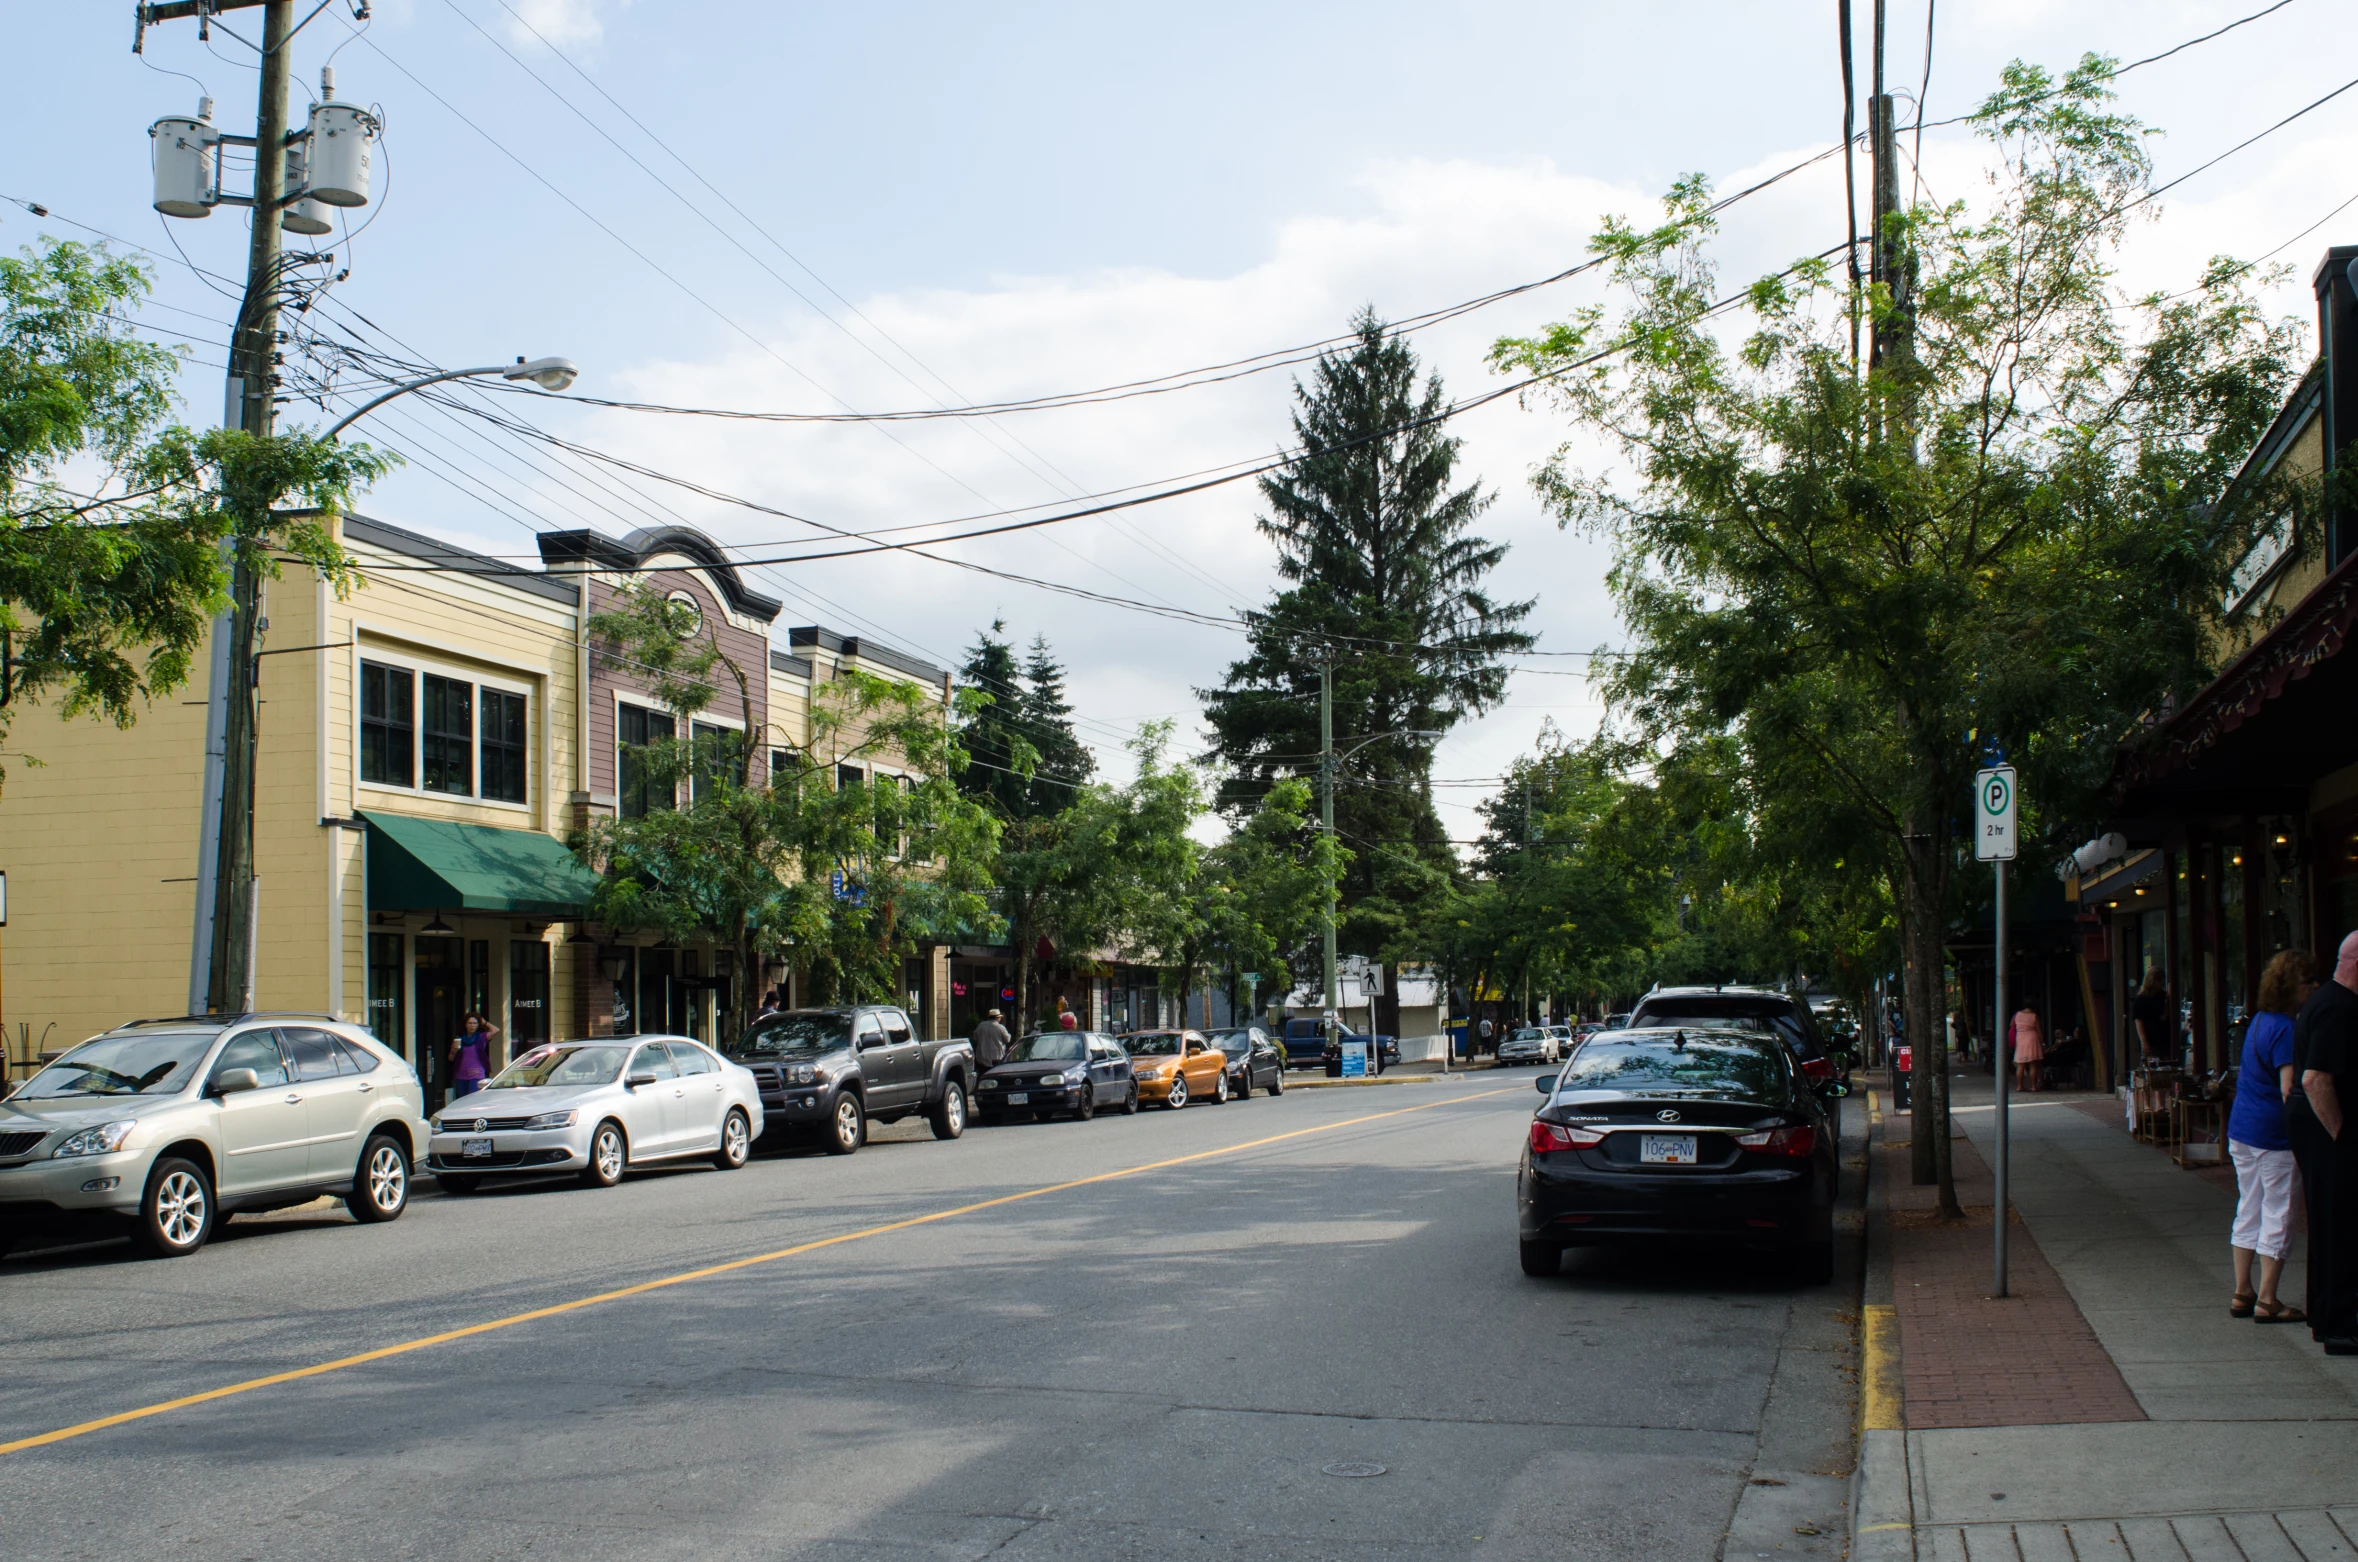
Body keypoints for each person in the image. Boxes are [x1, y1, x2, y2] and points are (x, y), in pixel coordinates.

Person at [2230, 949, 2313, 1325]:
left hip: (2242, 1129)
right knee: (2280, 1212)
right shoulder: (2287, 1029)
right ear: (2294, 988)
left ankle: (2242, 1290)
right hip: (2273, 1135)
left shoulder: (2260, 1021)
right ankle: (2268, 1298)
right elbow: (2288, 1088)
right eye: (2308, 983)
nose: (2312, 988)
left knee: (2249, 1207)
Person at [2289, 929, 2358, 1353]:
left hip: (2313, 1128)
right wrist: (2341, 1133)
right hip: (2326, 1131)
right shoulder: (2339, 1008)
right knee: (2343, 1227)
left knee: (2329, 1224)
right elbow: (2315, 1078)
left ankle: (2323, 1314)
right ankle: (2339, 1325)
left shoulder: (2326, 1000)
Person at [449, 1012, 499, 1099]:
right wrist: (454, 1051)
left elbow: (496, 1030)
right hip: (461, 1075)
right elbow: (450, 1058)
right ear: (466, 1025)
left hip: (477, 1075)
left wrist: (484, 1022)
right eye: (470, 1023)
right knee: (462, 1101)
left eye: (475, 1023)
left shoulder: (481, 1037)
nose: (472, 1025)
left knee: (472, 1099)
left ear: (478, 1025)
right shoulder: (459, 1039)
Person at [2133, 966, 2171, 1069]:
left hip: (2164, 1038)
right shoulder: (2142, 999)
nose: (2161, 982)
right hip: (2151, 1039)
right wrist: (2144, 1041)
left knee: (2166, 1065)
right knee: (2153, 1066)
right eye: (2159, 980)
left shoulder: (2162, 996)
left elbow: (2165, 1015)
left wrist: (2168, 999)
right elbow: (2139, 1021)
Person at [2011, 1004, 2045, 1094]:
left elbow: (2012, 1024)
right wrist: (2042, 1041)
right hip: (2032, 1038)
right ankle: (2034, 1086)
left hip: (2020, 1038)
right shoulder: (2034, 1015)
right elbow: (2038, 1029)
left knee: (2020, 1065)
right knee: (2033, 1064)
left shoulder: (2017, 1014)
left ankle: (2019, 1086)